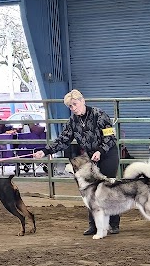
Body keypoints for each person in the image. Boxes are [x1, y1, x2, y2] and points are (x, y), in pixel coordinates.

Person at [32, 89, 121, 236]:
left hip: (107, 155)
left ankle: (113, 223)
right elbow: (62, 140)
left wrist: (100, 150)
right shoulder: (73, 121)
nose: (73, 108)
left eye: (75, 104)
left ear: (82, 100)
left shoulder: (99, 115)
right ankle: (94, 225)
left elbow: (110, 137)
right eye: (70, 106)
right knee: (90, 191)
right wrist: (45, 151)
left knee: (109, 190)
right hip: (89, 159)